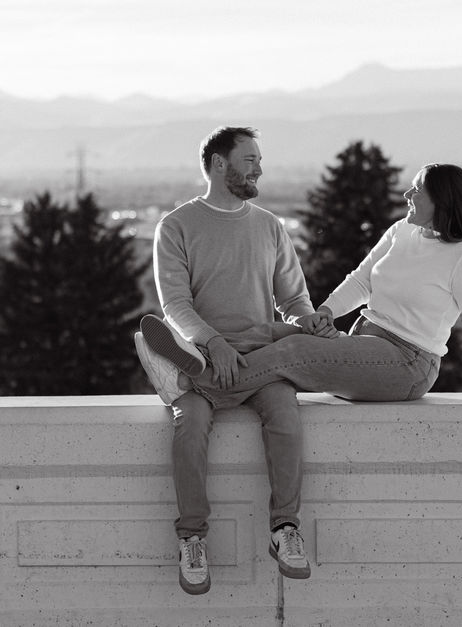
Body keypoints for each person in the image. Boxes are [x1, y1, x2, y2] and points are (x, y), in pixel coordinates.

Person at [138, 162, 462, 413]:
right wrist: (324, 314)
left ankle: (192, 383)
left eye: (418, 189)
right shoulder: (402, 232)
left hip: (407, 365)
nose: (408, 194)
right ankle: (198, 356)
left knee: (291, 352)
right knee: (272, 332)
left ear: (443, 200)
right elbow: (362, 280)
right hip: (363, 342)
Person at [134, 126, 323, 596]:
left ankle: (284, 529)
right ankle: (192, 537)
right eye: (249, 159)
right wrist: (213, 343)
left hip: (259, 357)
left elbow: (294, 299)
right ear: (219, 165)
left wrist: (309, 322)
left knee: (285, 413)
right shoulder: (176, 226)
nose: (259, 168)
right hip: (204, 352)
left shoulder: (269, 227)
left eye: (259, 160)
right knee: (189, 426)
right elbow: (175, 305)